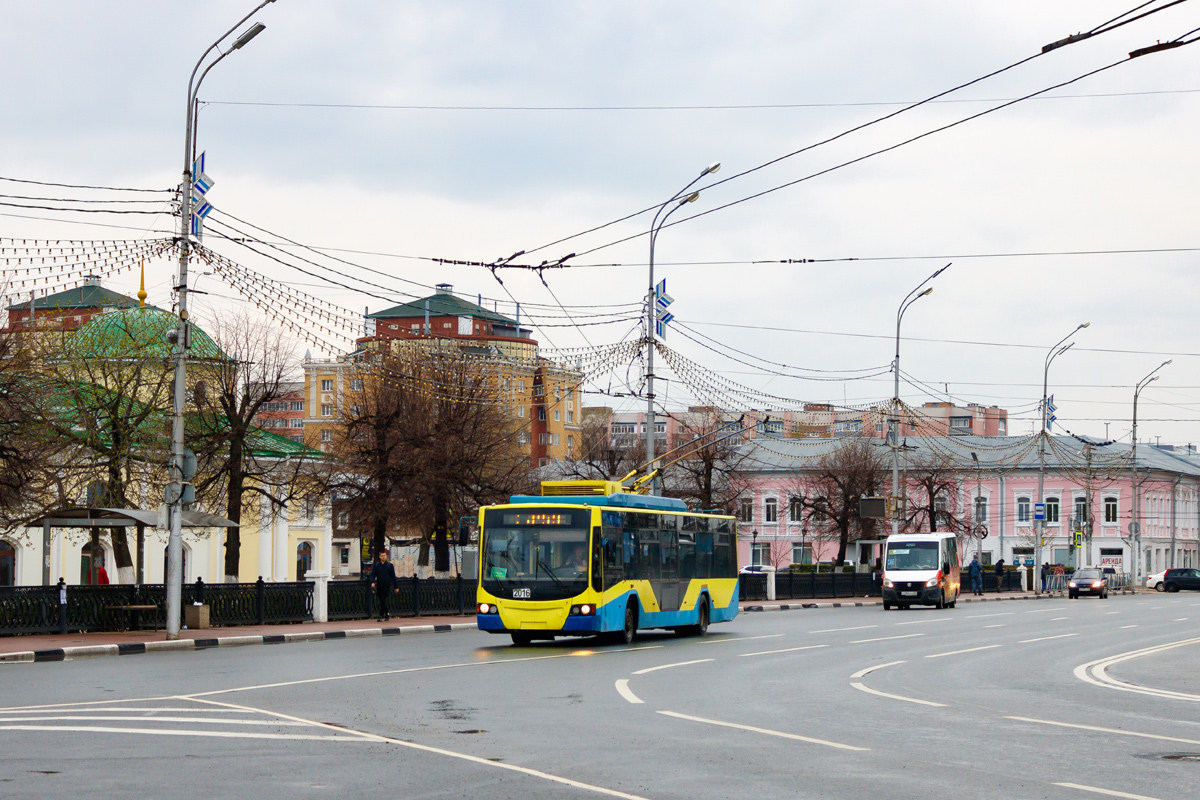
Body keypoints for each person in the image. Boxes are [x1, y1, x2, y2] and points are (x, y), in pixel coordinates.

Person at [369, 550, 398, 622]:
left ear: (386, 556)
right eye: (382, 556)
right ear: (379, 556)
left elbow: (393, 577)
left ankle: (381, 615)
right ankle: (387, 614)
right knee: (382, 600)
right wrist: (372, 582)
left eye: (384, 555)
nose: (383, 557)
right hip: (379, 585)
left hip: (386, 586)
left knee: (383, 599)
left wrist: (396, 587)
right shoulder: (376, 565)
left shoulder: (389, 566)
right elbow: (372, 575)